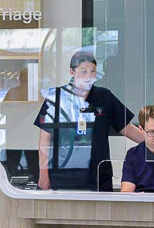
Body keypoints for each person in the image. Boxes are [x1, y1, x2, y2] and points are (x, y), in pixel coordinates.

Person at [35, 51, 144, 192]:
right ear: (72, 72)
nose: (88, 76)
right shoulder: (55, 97)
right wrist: (43, 175)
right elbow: (44, 140)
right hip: (64, 176)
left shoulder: (104, 97)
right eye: (84, 71)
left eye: (92, 71)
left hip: (98, 176)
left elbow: (126, 128)